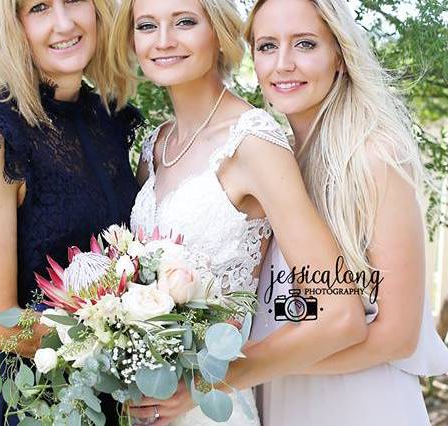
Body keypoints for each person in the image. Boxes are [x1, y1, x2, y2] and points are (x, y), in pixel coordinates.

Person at [109, 0, 373, 424]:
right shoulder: (154, 148)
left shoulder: (253, 142)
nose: (163, 41)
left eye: (184, 21)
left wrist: (207, 383)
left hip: (212, 411)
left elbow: (341, 315)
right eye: (146, 25)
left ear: (217, 31)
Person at [246, 0, 448, 424]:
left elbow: (397, 336)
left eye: (304, 44)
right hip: (278, 397)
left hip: (359, 401)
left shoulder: (375, 157)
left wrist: (246, 368)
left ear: (338, 55)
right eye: (267, 46)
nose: (283, 64)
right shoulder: (269, 160)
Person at [0, 0, 143, 424]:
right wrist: (116, 335)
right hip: (27, 400)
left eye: (73, 1)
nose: (63, 23)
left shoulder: (110, 120)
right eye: (39, 8)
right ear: (12, 26)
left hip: (109, 392)